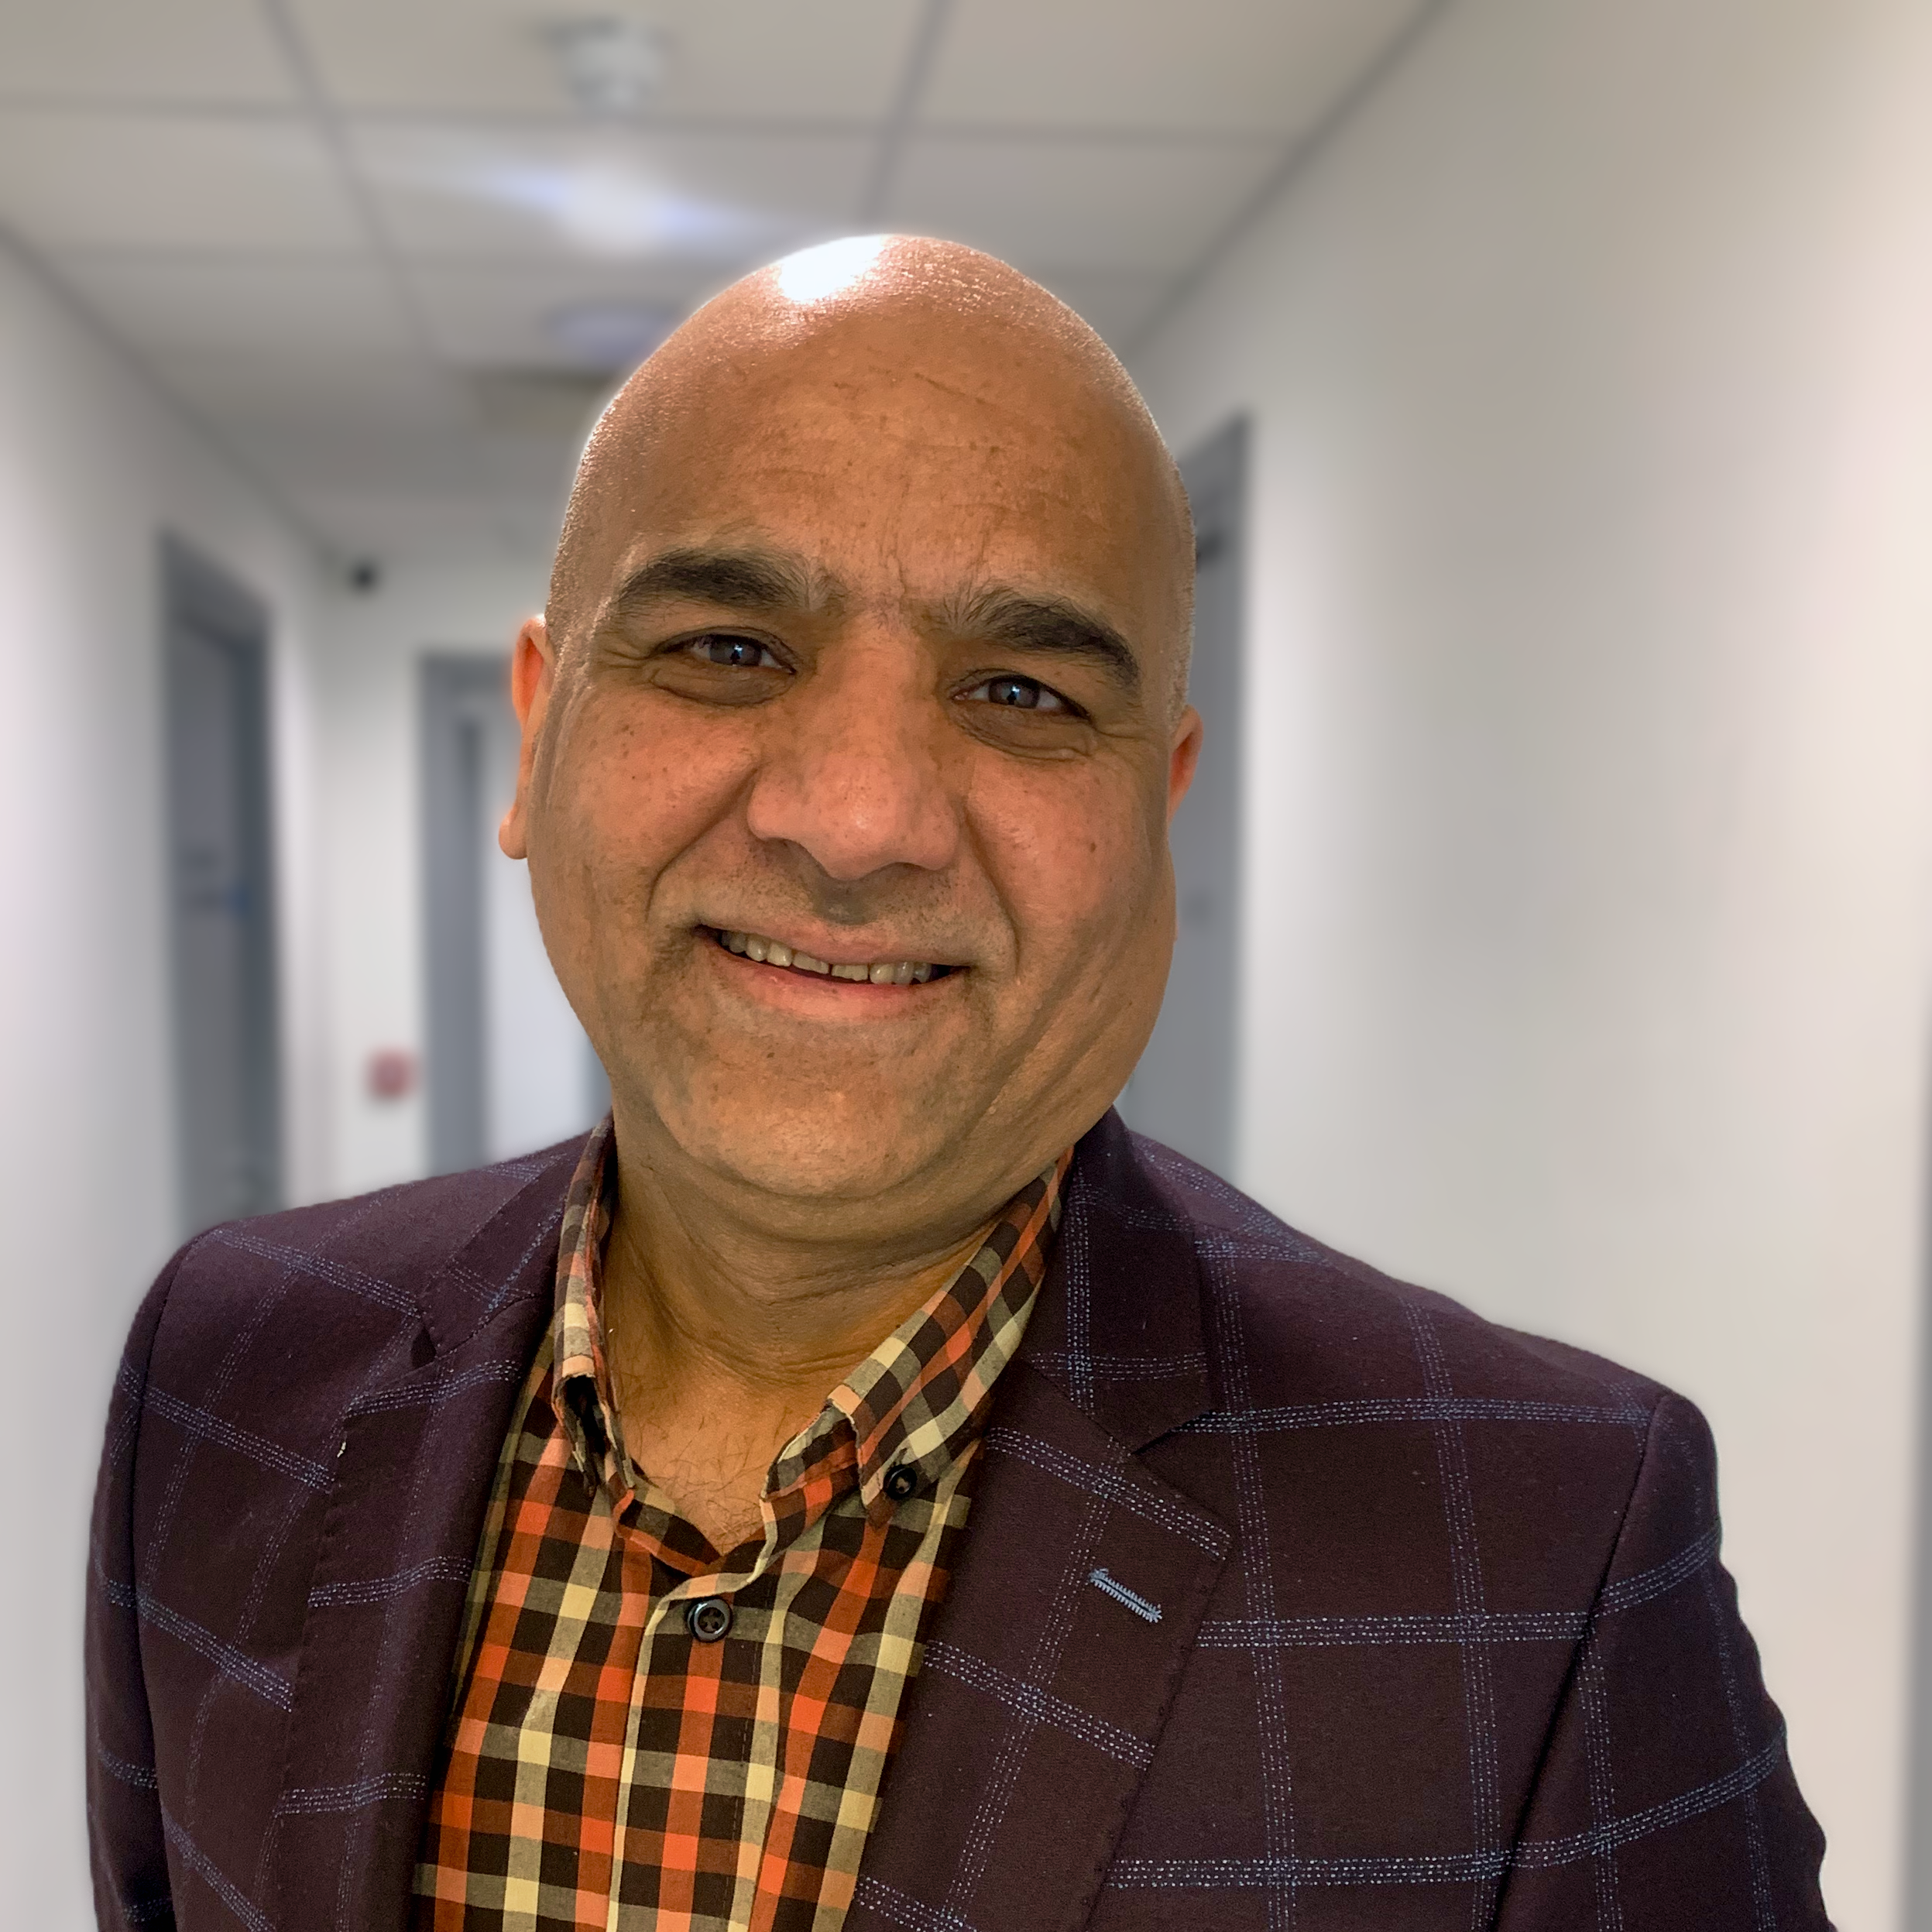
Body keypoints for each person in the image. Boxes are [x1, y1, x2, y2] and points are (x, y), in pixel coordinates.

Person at [87, 235, 1828, 1932]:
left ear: (1158, 800)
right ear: (539, 731)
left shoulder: (1537, 1566)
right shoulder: (229, 1367)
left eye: (1020, 690)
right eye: (728, 647)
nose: (854, 819)